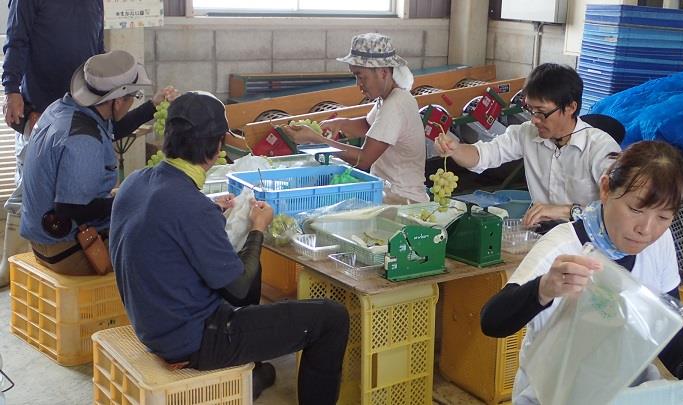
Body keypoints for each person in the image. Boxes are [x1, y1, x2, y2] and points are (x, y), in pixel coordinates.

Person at [109, 91, 349, 404]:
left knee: (247, 270)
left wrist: (210, 209)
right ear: (217, 147)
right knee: (331, 318)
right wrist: (257, 228)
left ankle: (255, 371)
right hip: (191, 339)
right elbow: (238, 290)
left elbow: (167, 219)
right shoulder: (192, 207)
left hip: (151, 322)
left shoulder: (135, 182)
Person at [480, 140, 683, 404]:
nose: (646, 229)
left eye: (663, 217)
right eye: (635, 209)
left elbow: (665, 321)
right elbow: (493, 321)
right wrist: (543, 288)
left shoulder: (659, 242)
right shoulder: (562, 247)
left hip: (627, 394)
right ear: (605, 189)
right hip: (553, 396)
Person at [19, 50, 174, 276]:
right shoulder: (83, 140)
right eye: (134, 97)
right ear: (118, 101)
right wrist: (132, 199)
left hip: (44, 241)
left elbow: (111, 130)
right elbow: (73, 209)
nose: (133, 102)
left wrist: (152, 106)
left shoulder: (63, 110)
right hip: (67, 250)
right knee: (166, 239)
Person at [435, 63, 621, 227]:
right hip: (542, 232)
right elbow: (483, 155)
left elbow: (620, 205)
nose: (534, 120)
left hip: (588, 238)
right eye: (530, 110)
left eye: (541, 112)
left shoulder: (600, 148)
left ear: (570, 108)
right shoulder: (527, 133)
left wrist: (567, 211)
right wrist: (455, 149)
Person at [0, 0, 105, 285]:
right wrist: (11, 90)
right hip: (40, 112)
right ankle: (13, 264)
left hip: (80, 112)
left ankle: (57, 263)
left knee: (72, 190)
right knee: (29, 189)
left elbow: (97, 50)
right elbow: (16, 40)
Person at [285, 33, 429, 204]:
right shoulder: (388, 98)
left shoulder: (396, 104)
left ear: (383, 72)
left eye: (361, 76)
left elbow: (363, 159)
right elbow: (369, 126)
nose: (358, 84)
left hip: (403, 200)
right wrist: (339, 124)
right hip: (387, 192)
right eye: (355, 76)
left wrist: (318, 140)